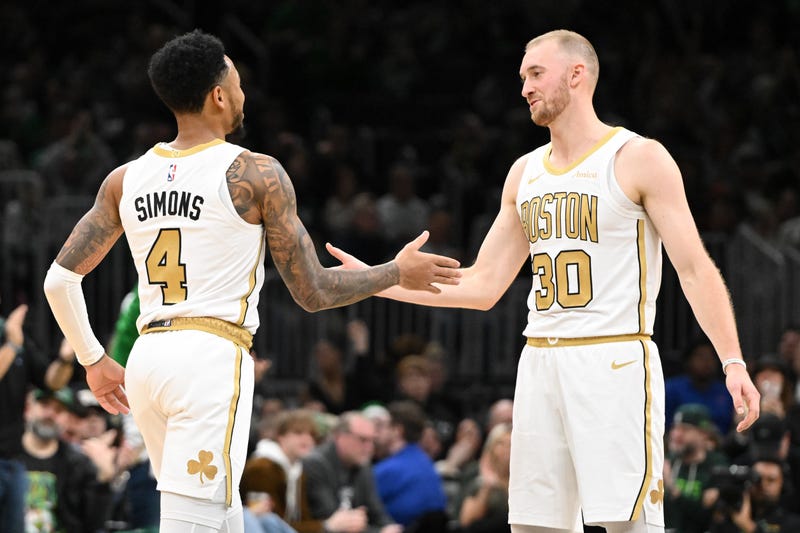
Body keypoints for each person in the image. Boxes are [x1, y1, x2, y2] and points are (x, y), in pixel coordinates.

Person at [327, 29, 761, 533]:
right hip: (539, 360)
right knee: (534, 526)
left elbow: (694, 267)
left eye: (536, 73)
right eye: (522, 77)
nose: (525, 87)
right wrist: (379, 279)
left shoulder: (638, 157)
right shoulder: (524, 172)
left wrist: (732, 361)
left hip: (612, 357)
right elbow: (484, 284)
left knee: (626, 522)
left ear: (577, 75)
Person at [41, 29, 460, 533]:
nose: (243, 95)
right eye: (237, 84)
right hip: (209, 356)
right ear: (219, 95)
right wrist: (397, 272)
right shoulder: (255, 172)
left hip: (147, 360)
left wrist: (92, 360)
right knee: (192, 522)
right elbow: (313, 291)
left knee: (224, 516)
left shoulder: (124, 179)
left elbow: (59, 281)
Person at [0, 300, 74, 533]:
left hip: (12, 460)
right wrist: (12, 346)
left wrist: (65, 359)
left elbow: (52, 382)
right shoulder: (13, 338)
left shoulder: (10, 332)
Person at [19, 388, 114, 533]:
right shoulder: (7, 456)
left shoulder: (78, 464)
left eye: (59, 410)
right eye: (45, 405)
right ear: (28, 408)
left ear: (67, 419)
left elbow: (93, 524)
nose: (50, 414)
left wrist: (104, 478)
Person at [302, 412, 401, 533]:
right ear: (340, 436)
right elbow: (331, 518)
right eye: (363, 440)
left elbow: (377, 511)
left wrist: (389, 528)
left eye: (372, 440)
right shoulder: (316, 464)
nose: (369, 447)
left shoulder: (363, 464)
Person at [372, 400, 448, 528]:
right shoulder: (425, 461)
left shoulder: (388, 470)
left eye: (382, 426)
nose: (375, 433)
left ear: (397, 430)